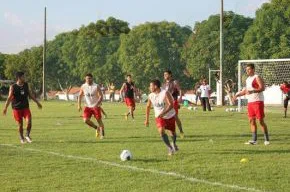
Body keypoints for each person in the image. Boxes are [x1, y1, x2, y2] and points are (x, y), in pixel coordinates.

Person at [233, 64, 270, 145]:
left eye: (249, 69)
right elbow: (246, 91)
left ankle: (266, 139)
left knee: (260, 121)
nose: (247, 71)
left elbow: (262, 88)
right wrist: (237, 95)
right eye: (246, 70)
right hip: (250, 102)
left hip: (258, 101)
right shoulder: (247, 79)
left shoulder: (257, 77)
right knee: (251, 121)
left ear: (253, 69)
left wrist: (253, 91)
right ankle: (254, 140)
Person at [2, 71, 42, 144]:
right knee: (20, 125)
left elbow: (30, 95)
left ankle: (27, 135)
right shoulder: (13, 87)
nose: (25, 78)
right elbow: (9, 98)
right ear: (19, 78)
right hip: (16, 108)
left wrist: (37, 102)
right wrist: (5, 108)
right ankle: (21, 138)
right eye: (23, 77)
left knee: (29, 121)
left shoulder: (26, 85)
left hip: (25, 107)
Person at [145, 79, 178, 156]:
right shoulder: (151, 95)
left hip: (169, 116)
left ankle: (174, 144)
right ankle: (169, 148)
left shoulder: (165, 93)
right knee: (161, 131)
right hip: (159, 117)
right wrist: (146, 119)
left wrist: (163, 113)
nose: (149, 87)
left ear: (155, 86)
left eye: (151, 86)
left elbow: (171, 105)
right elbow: (148, 107)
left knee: (172, 133)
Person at [78, 73, 105, 139]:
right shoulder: (83, 86)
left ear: (92, 78)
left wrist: (97, 104)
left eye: (89, 78)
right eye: (87, 78)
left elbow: (101, 96)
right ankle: (96, 128)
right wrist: (79, 105)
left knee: (99, 121)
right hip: (87, 106)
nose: (88, 80)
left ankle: (102, 134)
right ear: (85, 79)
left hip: (96, 106)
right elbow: (80, 96)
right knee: (85, 120)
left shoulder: (96, 86)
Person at [163, 70, 184, 138]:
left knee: (175, 117)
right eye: (164, 75)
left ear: (170, 75)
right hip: (166, 103)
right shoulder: (164, 84)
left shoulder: (174, 82)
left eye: (166, 74)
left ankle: (181, 131)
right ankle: (171, 133)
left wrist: (180, 97)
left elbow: (180, 90)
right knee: (167, 118)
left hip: (173, 101)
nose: (165, 76)